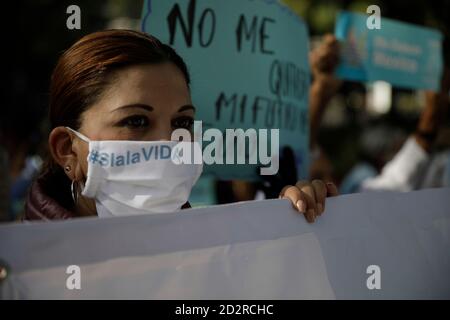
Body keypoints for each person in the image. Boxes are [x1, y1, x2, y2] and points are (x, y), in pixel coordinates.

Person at [25, 29, 338, 223]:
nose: (169, 141)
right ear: (67, 150)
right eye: (136, 121)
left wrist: (285, 229)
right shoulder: (21, 275)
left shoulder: (216, 246)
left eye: (182, 122)